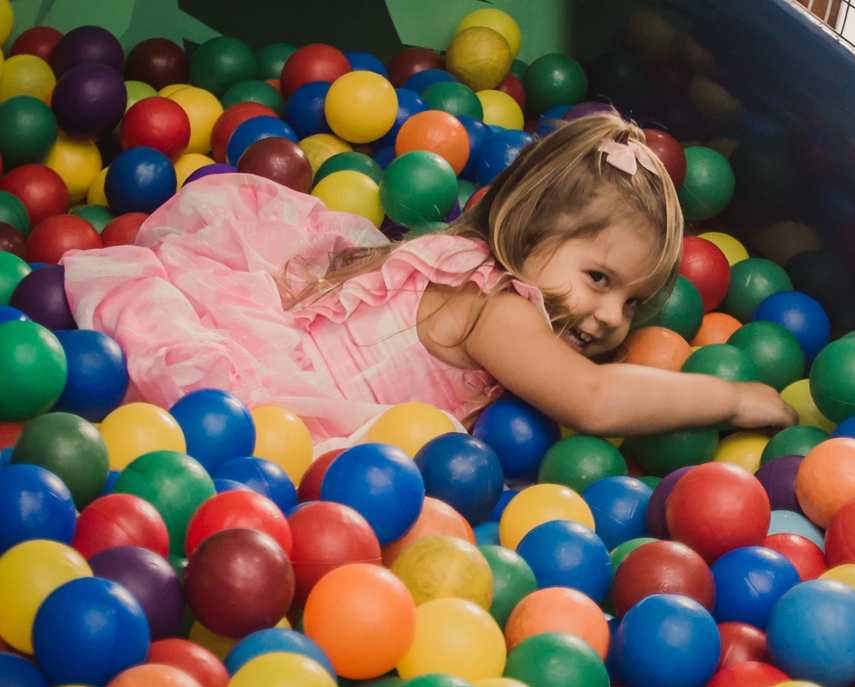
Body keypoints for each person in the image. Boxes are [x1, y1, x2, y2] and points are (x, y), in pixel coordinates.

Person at [62, 113, 797, 447]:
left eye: (633, 302)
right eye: (598, 277)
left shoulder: (453, 257)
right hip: (288, 419)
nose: (610, 316)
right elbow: (596, 401)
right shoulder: (497, 310)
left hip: (279, 361)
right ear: (529, 230)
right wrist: (730, 397)